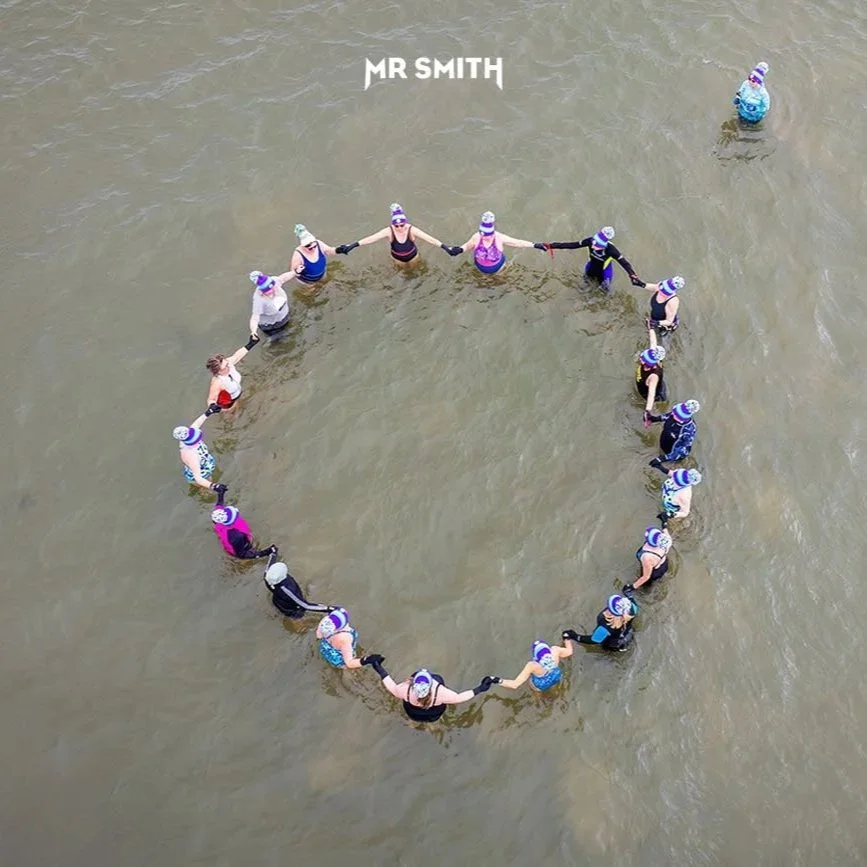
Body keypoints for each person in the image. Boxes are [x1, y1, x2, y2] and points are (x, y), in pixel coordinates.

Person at [361, 657, 496, 722]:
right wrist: (481, 688)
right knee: (440, 679)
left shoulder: (406, 690)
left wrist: (378, 667)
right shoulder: (440, 693)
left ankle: (412, 724)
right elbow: (460, 698)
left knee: (413, 719)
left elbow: (391, 687)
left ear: (413, 685)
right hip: (434, 714)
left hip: (413, 712)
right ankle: (431, 726)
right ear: (431, 684)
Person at [334, 203, 452, 263]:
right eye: (397, 226)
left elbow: (430, 239)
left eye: (402, 225)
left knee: (417, 271)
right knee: (402, 275)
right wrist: (352, 245)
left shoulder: (411, 230)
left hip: (413, 257)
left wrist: (446, 248)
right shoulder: (389, 231)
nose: (400, 228)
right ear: (393, 224)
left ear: (406, 223)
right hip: (397, 259)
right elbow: (371, 238)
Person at [539, 226, 642, 292]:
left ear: (603, 246)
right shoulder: (590, 241)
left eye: (596, 244)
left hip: (605, 273)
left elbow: (625, 263)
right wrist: (550, 246)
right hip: (591, 268)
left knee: (604, 293)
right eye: (593, 241)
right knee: (584, 287)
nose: (592, 245)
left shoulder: (611, 250)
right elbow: (571, 245)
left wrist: (632, 275)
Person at [447, 211, 537, 274]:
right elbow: (467, 246)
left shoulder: (499, 238)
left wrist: (535, 245)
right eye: (482, 235)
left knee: (500, 282)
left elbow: (518, 243)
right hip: (480, 268)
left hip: (499, 268)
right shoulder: (476, 237)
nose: (484, 237)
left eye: (487, 235)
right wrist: (459, 250)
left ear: (492, 233)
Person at [210, 488, 276, 560]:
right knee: (249, 551)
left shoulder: (219, 519)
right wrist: (266, 552)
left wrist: (221, 492)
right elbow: (242, 554)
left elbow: (219, 505)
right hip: (240, 547)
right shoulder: (235, 537)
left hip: (235, 539)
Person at [562, 593, 640, 652]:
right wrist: (629, 595)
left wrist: (575, 636)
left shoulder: (605, 627)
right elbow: (633, 603)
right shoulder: (632, 609)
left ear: (615, 614)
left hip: (614, 644)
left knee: (604, 647)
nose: (607, 609)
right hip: (627, 634)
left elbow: (593, 640)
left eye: (610, 608)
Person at [496, 638, 574, 693]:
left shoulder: (532, 666)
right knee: (554, 683)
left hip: (541, 685)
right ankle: (555, 690)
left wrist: (496, 680)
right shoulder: (555, 650)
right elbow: (570, 652)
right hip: (556, 676)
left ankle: (537, 698)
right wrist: (566, 639)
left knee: (532, 685)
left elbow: (515, 685)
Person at [263, 557, 333, 618]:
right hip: (291, 608)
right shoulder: (286, 590)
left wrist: (273, 552)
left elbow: (270, 563)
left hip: (278, 600)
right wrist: (329, 609)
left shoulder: (267, 577)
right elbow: (305, 605)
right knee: (299, 615)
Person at [205, 335, 260, 411]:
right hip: (229, 404)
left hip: (239, 393)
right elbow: (211, 399)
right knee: (233, 416)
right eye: (225, 367)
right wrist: (212, 406)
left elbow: (237, 356)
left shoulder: (228, 363)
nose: (229, 366)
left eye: (227, 363)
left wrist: (250, 344)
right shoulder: (217, 382)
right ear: (218, 371)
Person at [173, 406, 223, 489]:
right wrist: (214, 486)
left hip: (206, 463)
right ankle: (203, 491)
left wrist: (208, 412)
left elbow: (196, 424)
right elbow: (198, 478)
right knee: (206, 490)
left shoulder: (187, 434)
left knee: (211, 477)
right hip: (202, 474)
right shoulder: (190, 455)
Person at [647, 400, 700, 471]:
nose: (673, 414)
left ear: (682, 419)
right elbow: (667, 416)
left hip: (672, 452)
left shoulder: (688, 430)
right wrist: (653, 419)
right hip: (665, 440)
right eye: (674, 411)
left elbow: (681, 451)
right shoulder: (675, 414)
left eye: (676, 414)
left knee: (669, 466)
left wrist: (662, 458)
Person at [623, 526, 674, 593]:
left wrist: (632, 587)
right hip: (664, 564)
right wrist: (664, 524)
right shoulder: (666, 540)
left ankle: (646, 591)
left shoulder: (647, 558)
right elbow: (667, 533)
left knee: (645, 586)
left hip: (655, 572)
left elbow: (646, 577)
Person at [248, 271, 292, 338]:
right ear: (262, 291)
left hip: (284, 315)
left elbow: (283, 278)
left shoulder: (274, 282)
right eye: (268, 290)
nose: (273, 291)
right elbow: (255, 318)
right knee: (281, 339)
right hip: (272, 326)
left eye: (273, 287)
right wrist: (253, 331)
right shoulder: (259, 301)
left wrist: (295, 272)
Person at [636, 327, 667, 421]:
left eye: (643, 360)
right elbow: (653, 342)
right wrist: (651, 327)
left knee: (655, 406)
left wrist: (647, 411)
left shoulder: (653, 377)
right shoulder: (654, 354)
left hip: (656, 396)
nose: (641, 359)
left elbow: (651, 394)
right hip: (646, 385)